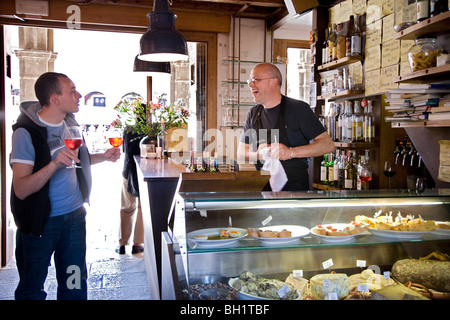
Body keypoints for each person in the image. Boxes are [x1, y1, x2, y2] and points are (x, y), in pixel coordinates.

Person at [10, 72, 120, 300]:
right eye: (72, 90)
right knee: (32, 288)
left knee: (74, 283)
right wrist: (54, 164)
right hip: (39, 224)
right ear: (55, 98)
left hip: (74, 219)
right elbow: (21, 189)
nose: (79, 95)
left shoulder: (71, 123)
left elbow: (77, 159)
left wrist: (103, 157)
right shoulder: (25, 132)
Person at [238, 63, 335, 191]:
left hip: (294, 193)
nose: (250, 85)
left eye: (256, 80)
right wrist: (258, 154)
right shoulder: (253, 113)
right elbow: (241, 152)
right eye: (249, 80)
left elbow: (328, 145)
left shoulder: (298, 109)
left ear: (274, 81)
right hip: (263, 190)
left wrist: (290, 152)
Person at [116, 128, 144, 255]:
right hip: (144, 172)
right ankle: (137, 244)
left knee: (126, 207)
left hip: (128, 171)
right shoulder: (152, 132)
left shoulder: (128, 130)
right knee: (142, 208)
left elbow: (124, 151)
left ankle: (122, 243)